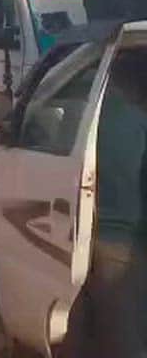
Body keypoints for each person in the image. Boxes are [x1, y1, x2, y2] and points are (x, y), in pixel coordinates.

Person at [75, 48, 147, 357]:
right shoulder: (133, 121)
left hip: (93, 236)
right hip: (124, 240)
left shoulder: (94, 114)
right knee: (125, 334)